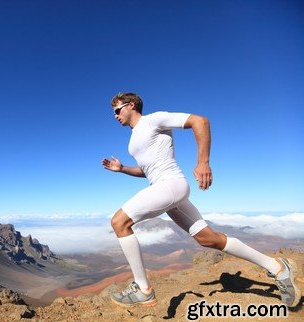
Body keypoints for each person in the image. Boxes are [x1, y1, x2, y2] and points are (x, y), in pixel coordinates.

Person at [101, 92, 300, 308]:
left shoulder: (153, 119)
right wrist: (122, 169)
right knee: (209, 239)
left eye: (117, 110)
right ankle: (278, 267)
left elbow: (200, 121)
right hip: (164, 189)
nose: (115, 115)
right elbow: (147, 170)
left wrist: (203, 162)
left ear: (131, 105)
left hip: (170, 185)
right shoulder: (134, 138)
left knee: (119, 222)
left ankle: (143, 290)